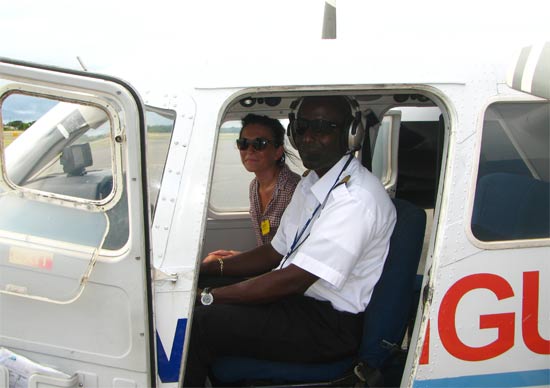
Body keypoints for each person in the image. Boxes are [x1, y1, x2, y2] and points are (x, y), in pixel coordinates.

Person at [183, 96, 396, 387]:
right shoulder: (312, 183)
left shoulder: (357, 200)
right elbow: (274, 252)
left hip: (328, 326)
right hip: (299, 303)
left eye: (323, 128)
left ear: (351, 133)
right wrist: (204, 272)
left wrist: (208, 297)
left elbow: (293, 279)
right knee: (193, 292)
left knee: (198, 322)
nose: (309, 137)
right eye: (302, 127)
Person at [204, 114, 300, 263]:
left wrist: (242, 261)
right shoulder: (254, 187)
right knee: (213, 259)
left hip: (284, 272)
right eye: (243, 143)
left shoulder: (294, 191)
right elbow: (265, 247)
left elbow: (294, 254)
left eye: (259, 143)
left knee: (212, 264)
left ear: (278, 152)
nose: (249, 150)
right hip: (266, 266)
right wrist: (238, 256)